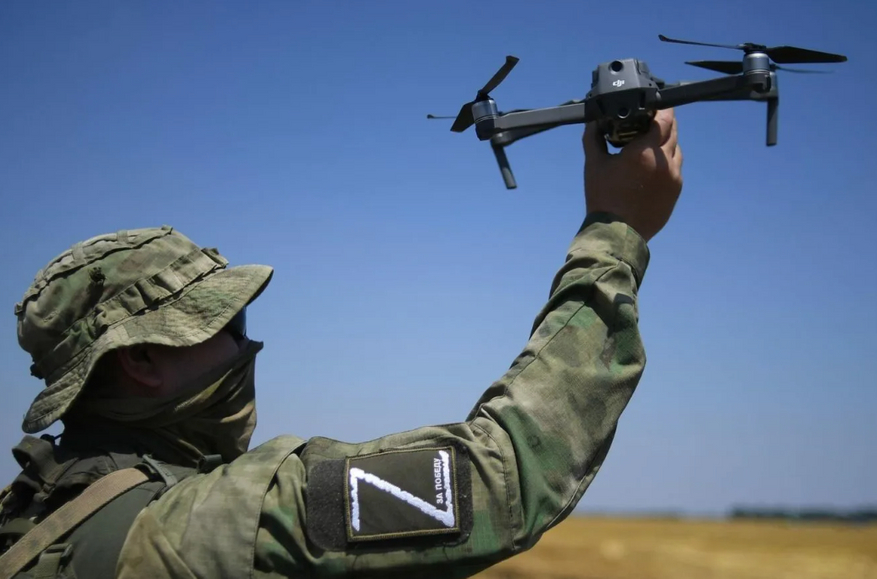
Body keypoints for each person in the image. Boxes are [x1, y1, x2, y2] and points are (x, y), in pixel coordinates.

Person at [0, 110, 683, 579]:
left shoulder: (33, 518)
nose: (246, 347)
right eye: (224, 327)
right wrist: (615, 234)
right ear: (142, 359)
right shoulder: (208, 522)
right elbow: (503, 476)